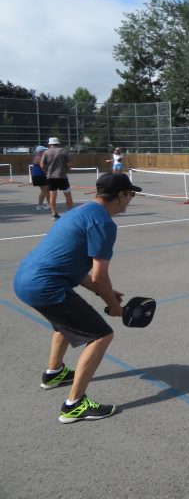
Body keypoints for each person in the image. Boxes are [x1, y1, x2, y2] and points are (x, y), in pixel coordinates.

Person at [13, 172, 142, 423]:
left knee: (64, 323)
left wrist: (101, 291)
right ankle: (74, 405)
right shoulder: (103, 223)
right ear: (121, 195)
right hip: (45, 286)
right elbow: (100, 276)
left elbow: (73, 265)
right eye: (131, 194)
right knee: (101, 335)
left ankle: (54, 373)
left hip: (25, 279)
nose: (131, 199)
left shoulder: (79, 212)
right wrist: (113, 306)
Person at [40, 137, 73, 220]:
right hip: (62, 176)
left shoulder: (46, 152)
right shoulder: (63, 151)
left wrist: (47, 172)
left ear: (49, 144)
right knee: (68, 195)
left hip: (51, 177)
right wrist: (66, 170)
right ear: (58, 143)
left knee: (53, 196)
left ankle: (54, 214)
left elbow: (42, 165)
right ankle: (71, 212)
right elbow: (69, 164)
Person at [30, 146, 50, 211]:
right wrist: (47, 173)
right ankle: (39, 205)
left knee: (47, 190)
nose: (45, 151)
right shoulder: (39, 157)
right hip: (39, 176)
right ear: (41, 151)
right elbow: (43, 167)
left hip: (40, 175)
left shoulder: (40, 157)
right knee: (44, 191)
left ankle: (50, 204)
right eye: (44, 150)